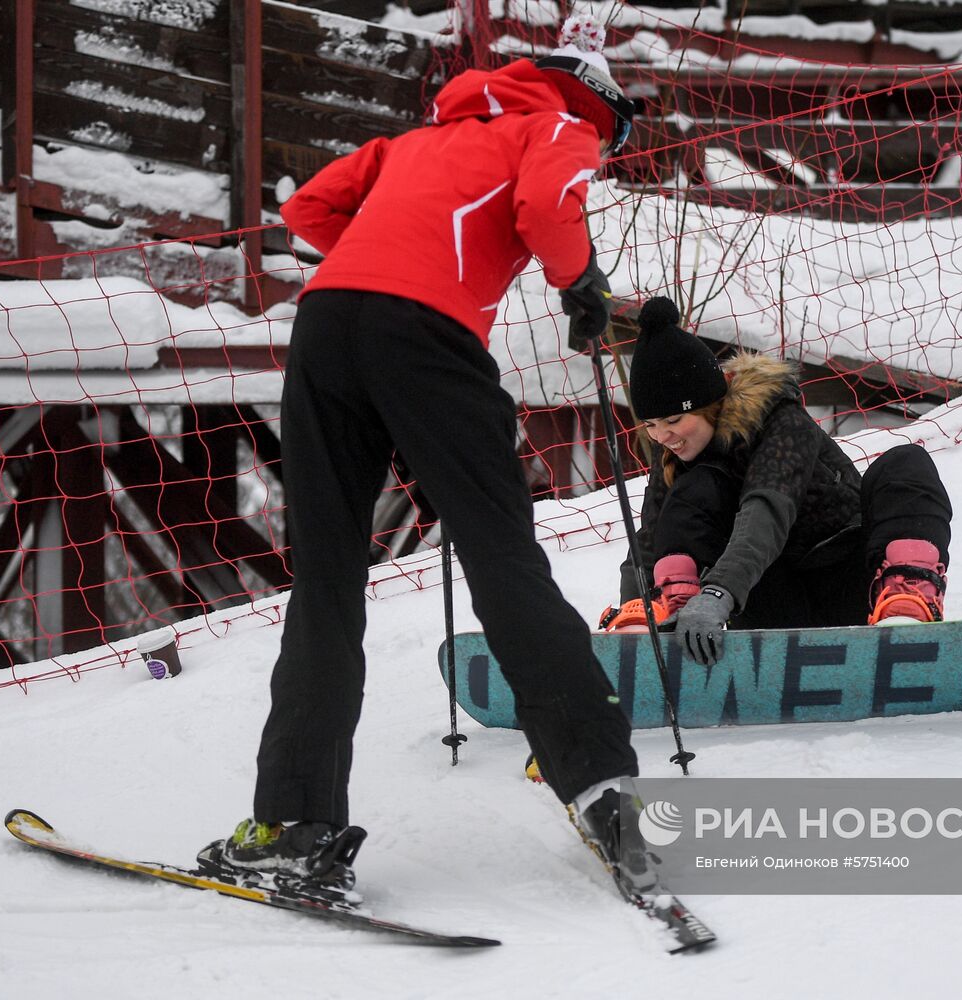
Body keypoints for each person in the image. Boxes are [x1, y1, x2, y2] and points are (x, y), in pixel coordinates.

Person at [213, 16, 658, 892]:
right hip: (429, 340)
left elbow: (308, 207)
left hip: (329, 323)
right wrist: (583, 284)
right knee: (501, 559)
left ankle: (295, 823)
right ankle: (605, 790)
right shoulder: (562, 125)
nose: (602, 150)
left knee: (329, 576)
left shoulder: (418, 138)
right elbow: (544, 207)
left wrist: (388, 267)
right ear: (597, 104)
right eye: (611, 134)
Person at [609, 296, 955, 667]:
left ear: (708, 405)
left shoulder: (783, 422)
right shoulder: (679, 460)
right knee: (692, 489)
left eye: (673, 422)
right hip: (772, 603)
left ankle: (906, 601)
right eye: (650, 425)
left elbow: (767, 512)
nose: (662, 436)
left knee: (905, 463)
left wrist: (717, 593)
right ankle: (669, 613)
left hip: (849, 585)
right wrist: (638, 612)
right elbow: (648, 540)